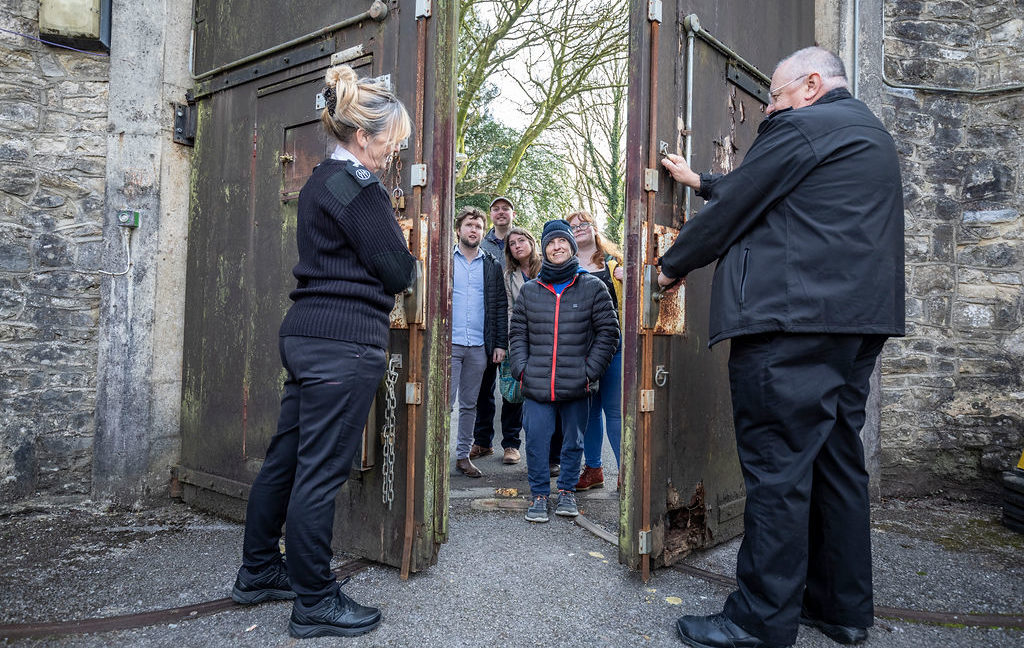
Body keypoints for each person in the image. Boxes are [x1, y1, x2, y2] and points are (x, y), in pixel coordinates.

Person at [658, 47, 904, 648]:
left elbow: (743, 202)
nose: (770, 106)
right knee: (835, 460)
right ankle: (842, 607)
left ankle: (758, 621)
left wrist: (670, 266)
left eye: (773, 95)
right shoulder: (866, 133)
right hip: (853, 323)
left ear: (811, 85)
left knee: (777, 469)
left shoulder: (804, 125)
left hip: (791, 322)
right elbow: (762, 184)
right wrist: (701, 179)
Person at [231, 64, 416, 639]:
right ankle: (314, 599)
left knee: (286, 458)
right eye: (391, 142)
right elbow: (399, 269)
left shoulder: (317, 180)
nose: (393, 152)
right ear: (363, 136)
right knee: (319, 472)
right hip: (344, 342)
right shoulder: (358, 189)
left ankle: (259, 569)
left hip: (307, 334)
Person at [509, 219, 619, 523]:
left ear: (571, 246)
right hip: (537, 384)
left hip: (577, 384)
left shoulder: (593, 287)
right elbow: (517, 333)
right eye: (551, 243)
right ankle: (540, 495)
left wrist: (590, 371)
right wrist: (522, 370)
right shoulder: (531, 291)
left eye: (562, 242)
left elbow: (609, 332)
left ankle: (567, 491)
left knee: (574, 442)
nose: (557, 247)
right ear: (544, 249)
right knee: (537, 441)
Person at [566, 211, 624, 491]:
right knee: (589, 411)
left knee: (615, 410)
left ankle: (626, 470)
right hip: (581, 347)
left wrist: (627, 278)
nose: (579, 229)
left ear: (594, 227)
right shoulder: (564, 264)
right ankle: (594, 470)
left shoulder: (615, 262)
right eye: (573, 226)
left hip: (613, 343)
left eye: (583, 224)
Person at [450, 206, 508, 478]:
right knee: (444, 403)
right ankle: (437, 456)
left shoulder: (491, 264)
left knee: (470, 404)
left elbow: (498, 306)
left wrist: (499, 344)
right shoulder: (445, 260)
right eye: (469, 225)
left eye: (478, 226)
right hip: (449, 344)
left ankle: (462, 457)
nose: (474, 230)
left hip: (478, 346)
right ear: (458, 229)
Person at [469, 196, 520, 462]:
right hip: (486, 323)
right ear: (491, 215)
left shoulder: (520, 242)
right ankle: (482, 441)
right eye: (496, 209)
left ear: (513, 213)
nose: (500, 213)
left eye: (505, 209)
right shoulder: (482, 243)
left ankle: (511, 444)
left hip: (514, 326)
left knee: (512, 388)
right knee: (483, 387)